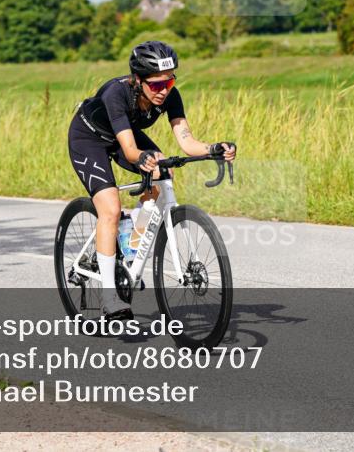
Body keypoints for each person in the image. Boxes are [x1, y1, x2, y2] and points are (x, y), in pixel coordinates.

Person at [67, 40, 236, 319]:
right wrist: (144, 158)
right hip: (90, 138)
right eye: (156, 85)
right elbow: (131, 151)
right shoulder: (116, 93)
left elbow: (187, 142)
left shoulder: (170, 95)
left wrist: (214, 148)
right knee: (110, 208)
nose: (163, 91)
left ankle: (130, 240)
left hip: (123, 134)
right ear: (138, 80)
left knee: (163, 172)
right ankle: (110, 297)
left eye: (168, 82)